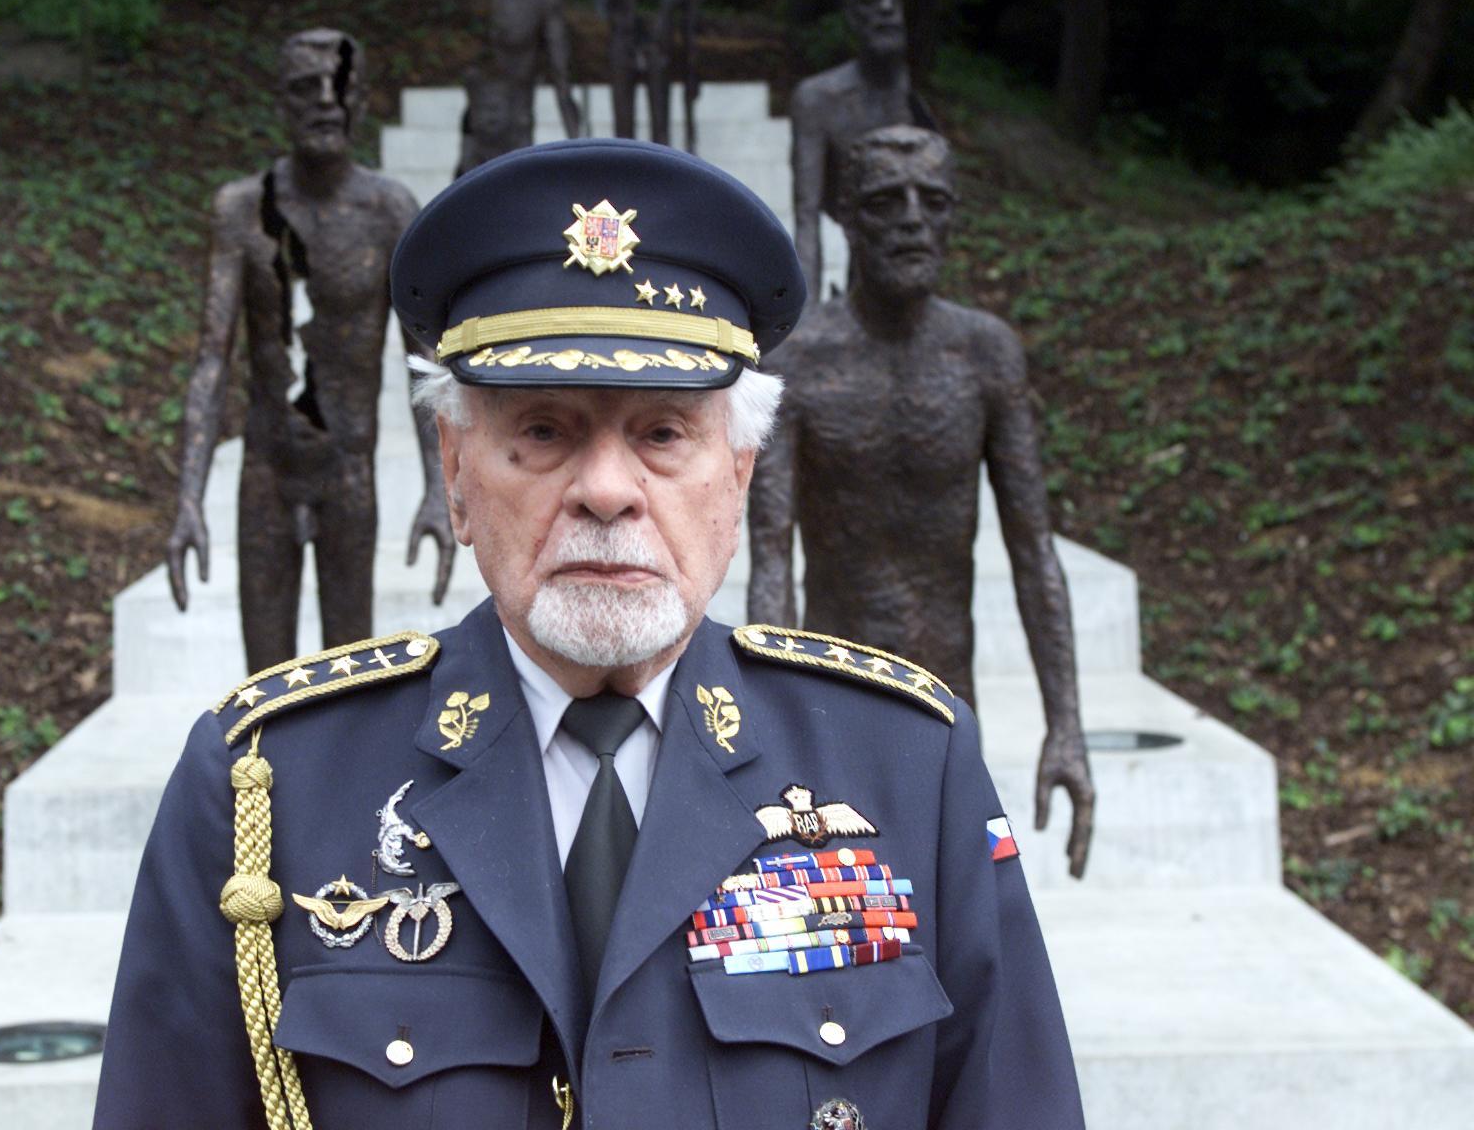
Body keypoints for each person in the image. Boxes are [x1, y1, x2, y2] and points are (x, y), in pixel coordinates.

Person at [95, 138, 1084, 1130]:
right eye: (544, 430)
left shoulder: (906, 768)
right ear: (454, 469)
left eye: (664, 433)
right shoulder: (268, 787)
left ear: (739, 476)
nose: (607, 490)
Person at [748, 126, 1095, 879]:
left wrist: (1066, 726)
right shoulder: (797, 362)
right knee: (851, 922)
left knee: (963, 916)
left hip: (948, 703)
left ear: (953, 215)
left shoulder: (985, 354)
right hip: (835, 695)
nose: (912, 220)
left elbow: (1034, 551)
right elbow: (770, 559)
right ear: (846, 218)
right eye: (886, 201)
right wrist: (777, 731)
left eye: (932, 201)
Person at [165, 28, 454, 671]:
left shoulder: (388, 211)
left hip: (348, 472)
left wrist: (441, 490)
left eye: (340, 86)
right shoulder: (241, 211)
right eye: (306, 88)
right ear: (281, 102)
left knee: (348, 684)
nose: (326, 101)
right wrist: (187, 500)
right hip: (267, 472)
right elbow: (211, 361)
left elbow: (427, 367)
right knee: (263, 688)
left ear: (362, 99)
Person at [790, 0, 936, 303]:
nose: (886, 8)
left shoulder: (911, 101)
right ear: (852, 16)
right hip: (858, 240)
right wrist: (806, 311)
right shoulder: (817, 99)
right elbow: (807, 215)